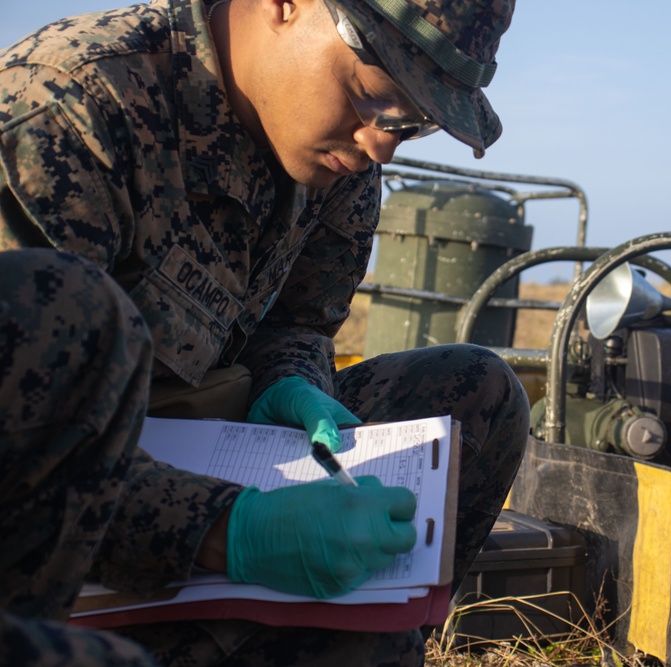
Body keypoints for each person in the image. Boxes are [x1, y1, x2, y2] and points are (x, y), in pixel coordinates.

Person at [0, 0, 527, 663]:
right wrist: (229, 529)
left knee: (479, 393)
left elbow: (299, 322)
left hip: (215, 453)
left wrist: (292, 378)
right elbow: (20, 451)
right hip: (62, 538)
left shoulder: (340, 160)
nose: (381, 142)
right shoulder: (65, 112)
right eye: (372, 96)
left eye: (412, 123)